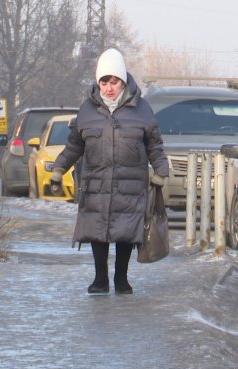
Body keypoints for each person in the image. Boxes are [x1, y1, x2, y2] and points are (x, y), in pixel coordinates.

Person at [50, 48, 169, 295]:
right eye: (104, 81)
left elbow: (154, 144)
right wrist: (59, 168)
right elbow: (74, 145)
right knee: (97, 230)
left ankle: (121, 279)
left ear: (123, 81)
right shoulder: (87, 110)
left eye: (113, 81)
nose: (108, 87)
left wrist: (161, 170)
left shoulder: (142, 109)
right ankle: (100, 278)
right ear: (98, 83)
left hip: (130, 183)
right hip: (96, 182)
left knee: (125, 231)